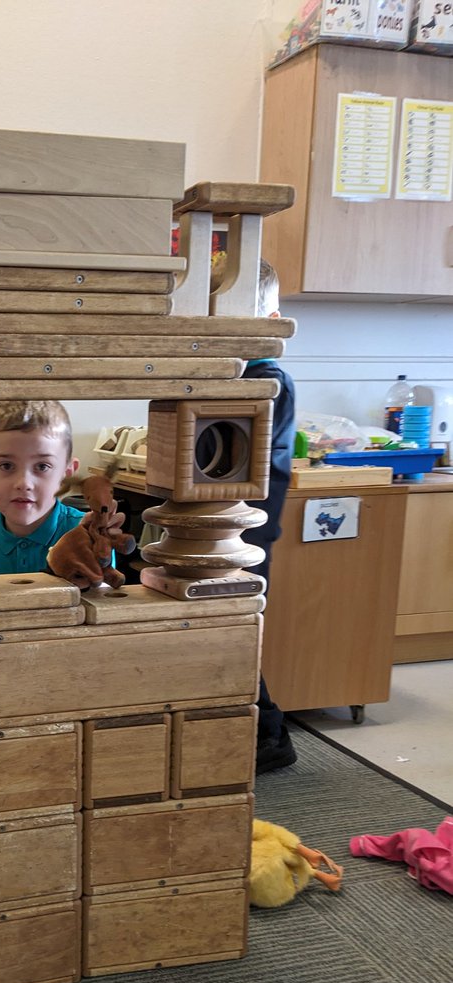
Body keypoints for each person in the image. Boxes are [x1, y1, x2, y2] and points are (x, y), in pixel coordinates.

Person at [244, 260, 297, 773]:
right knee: (231, 628)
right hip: (237, 529)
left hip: (250, 532)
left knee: (239, 631)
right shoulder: (243, 376)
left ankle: (270, 734)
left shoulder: (267, 380)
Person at [0, 399, 85, 574]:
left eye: (42, 466)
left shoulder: (89, 534)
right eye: (6, 466)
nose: (24, 483)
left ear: (67, 473)